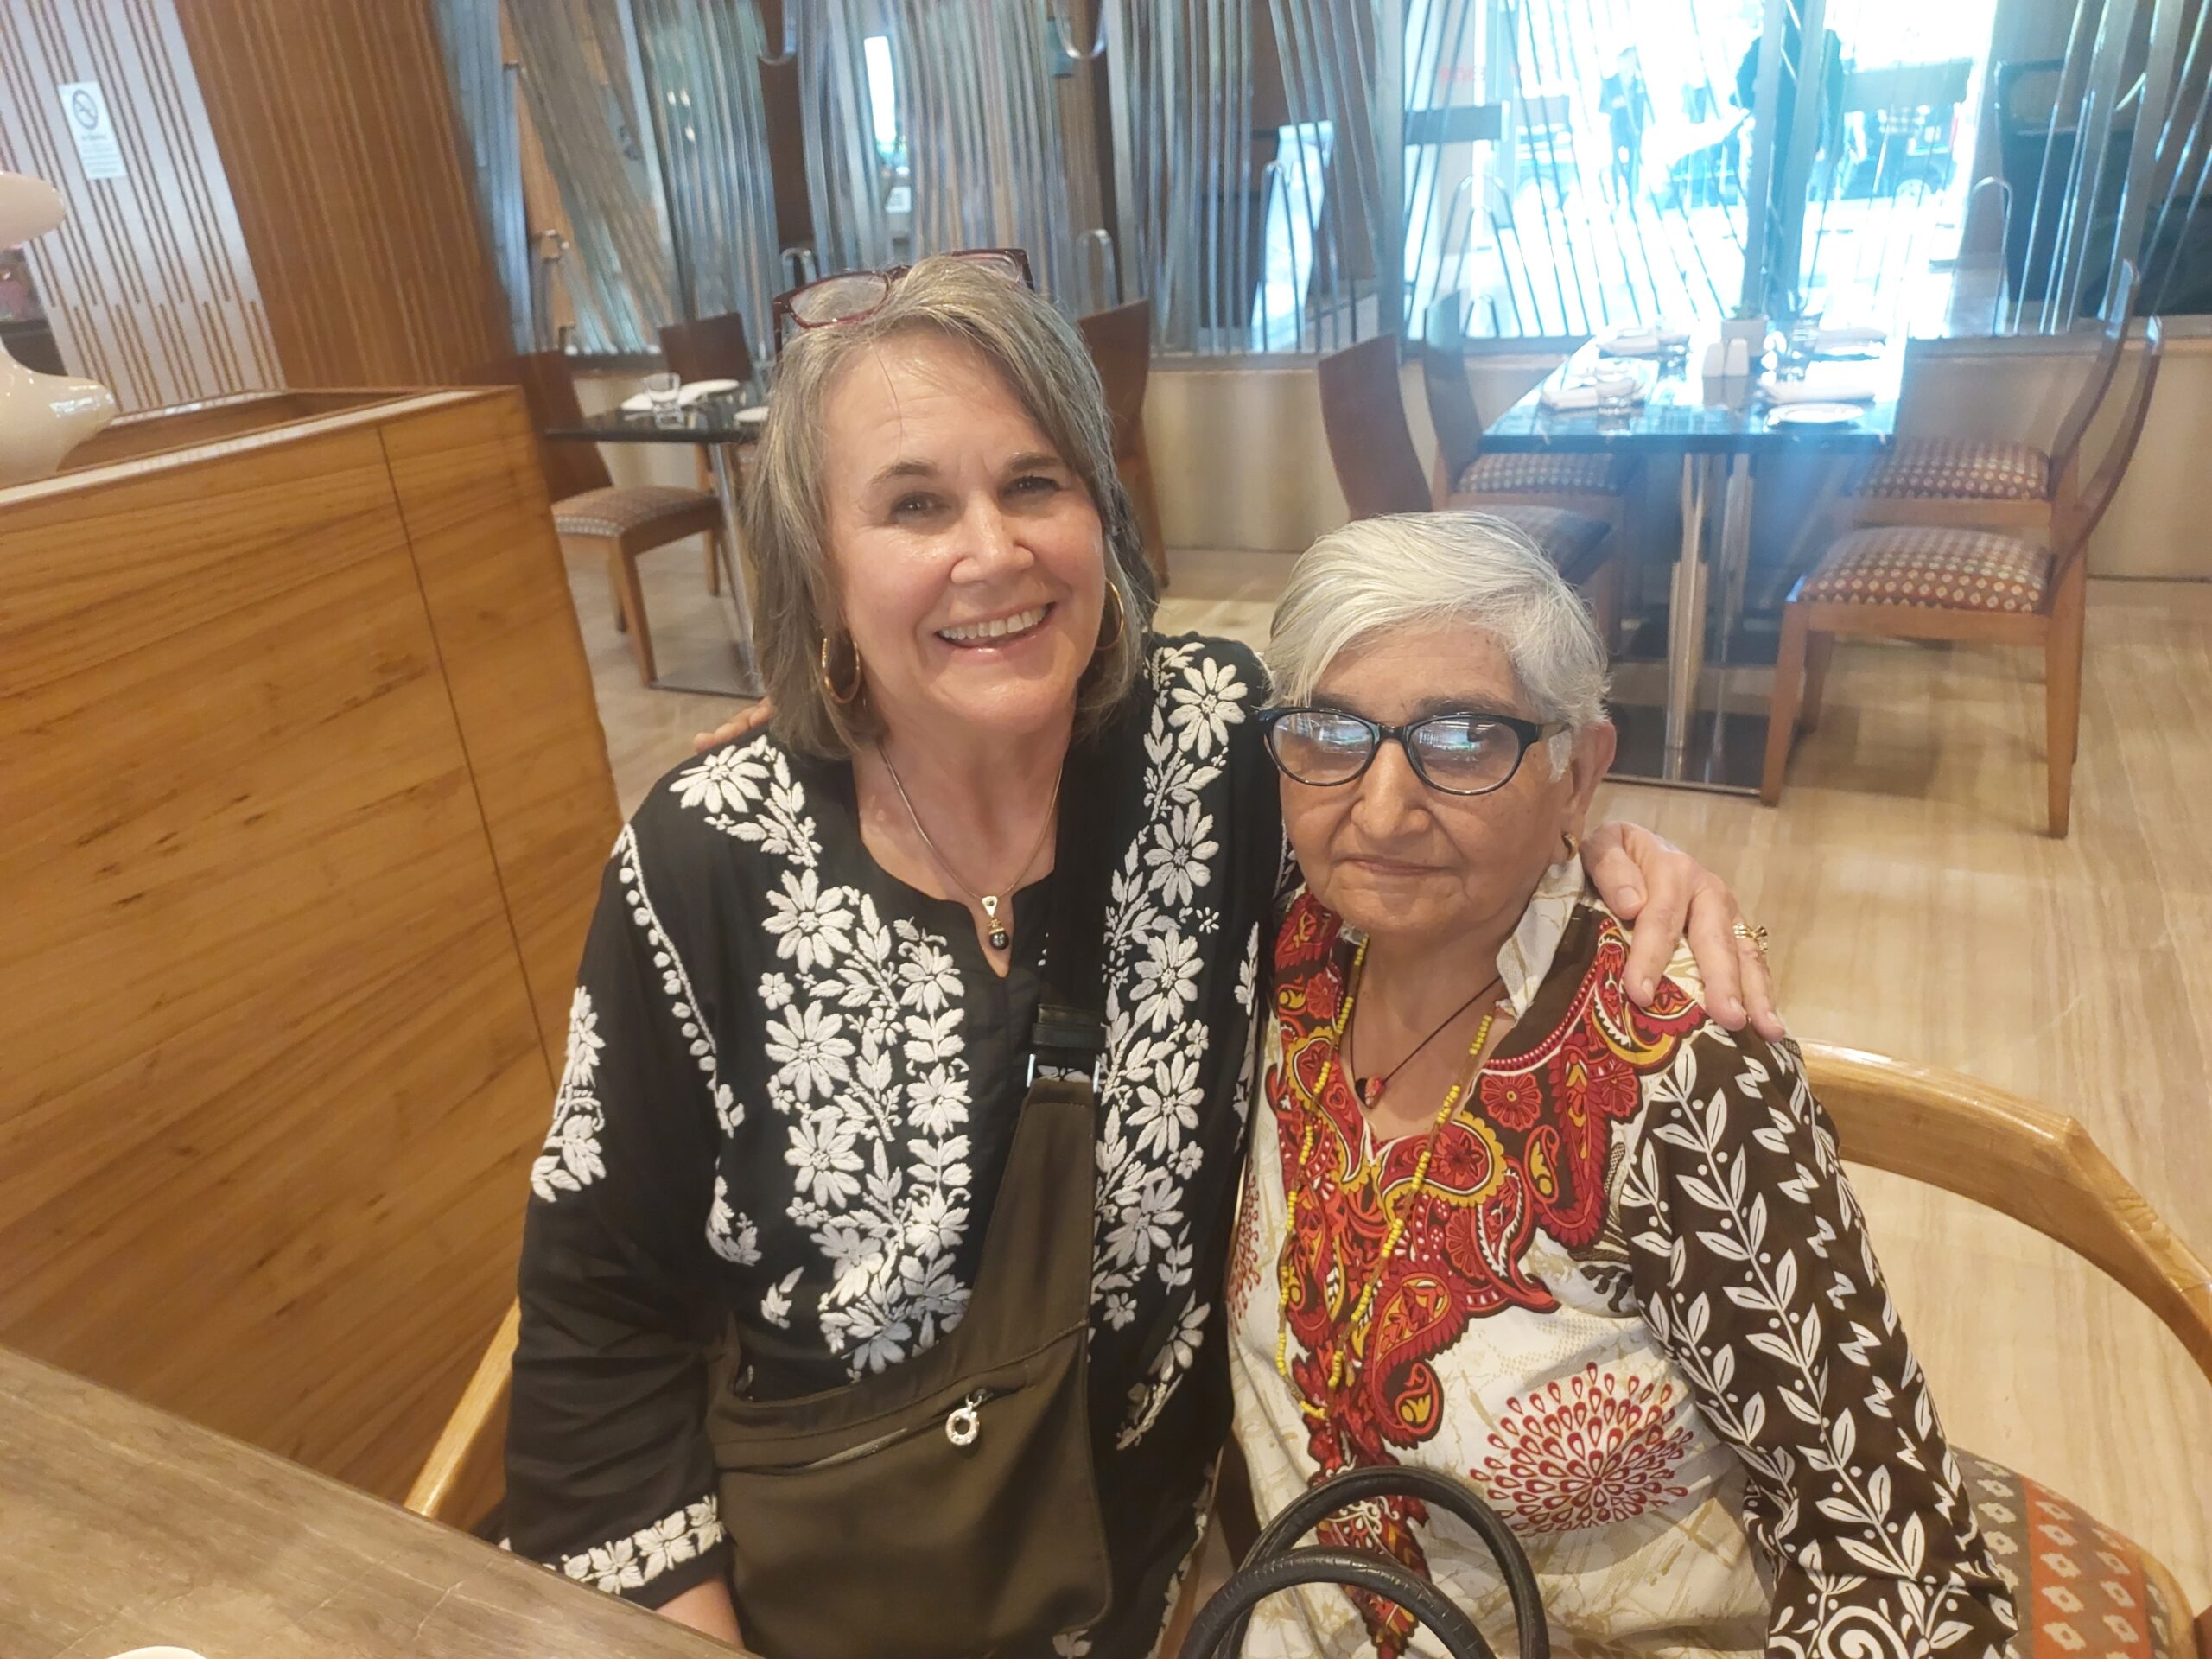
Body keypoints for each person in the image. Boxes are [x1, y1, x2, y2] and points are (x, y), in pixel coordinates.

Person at [507, 255, 1776, 1659]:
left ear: (1101, 518)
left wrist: (1600, 845)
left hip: (1159, 1595)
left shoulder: (1218, 754)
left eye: (1033, 484)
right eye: (914, 505)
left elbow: (1425, 812)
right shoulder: (710, 859)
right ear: (818, 560)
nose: (992, 551)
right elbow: (595, 1341)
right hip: (810, 1603)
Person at [1229, 512, 2015, 1659]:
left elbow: (1901, 1569)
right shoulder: (1279, 954)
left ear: (1580, 772)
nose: (1383, 808)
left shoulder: (1677, 1077)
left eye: (1465, 740)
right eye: (1333, 732)